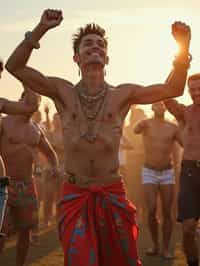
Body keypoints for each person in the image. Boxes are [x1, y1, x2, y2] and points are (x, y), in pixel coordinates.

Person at [5, 9, 191, 266]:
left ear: (107, 57)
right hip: (75, 194)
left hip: (112, 192)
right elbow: (14, 66)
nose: (95, 46)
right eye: (88, 43)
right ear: (76, 57)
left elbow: (173, 88)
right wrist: (40, 29)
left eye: (101, 44)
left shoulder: (123, 94)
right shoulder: (61, 91)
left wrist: (183, 48)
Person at [0, 88, 59, 266]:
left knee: (25, 230)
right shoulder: (4, 123)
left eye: (35, 102)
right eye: (27, 101)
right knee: (1, 231)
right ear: (19, 103)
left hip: (26, 184)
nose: (31, 106)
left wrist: (54, 167)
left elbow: (50, 153)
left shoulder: (36, 130)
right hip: (4, 184)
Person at [134, 101, 182, 259]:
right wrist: (139, 124)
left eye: (162, 105)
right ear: (152, 108)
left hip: (167, 172)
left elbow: (184, 143)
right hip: (149, 171)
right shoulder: (146, 124)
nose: (159, 107)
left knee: (167, 211)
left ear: (165, 108)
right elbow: (135, 130)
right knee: (152, 208)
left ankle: (165, 248)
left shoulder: (172, 127)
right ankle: (155, 244)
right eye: (156, 105)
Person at [164, 73, 200, 266]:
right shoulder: (185, 112)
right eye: (192, 90)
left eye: (199, 89)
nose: (196, 93)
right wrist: (177, 65)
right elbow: (166, 95)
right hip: (189, 171)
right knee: (187, 230)